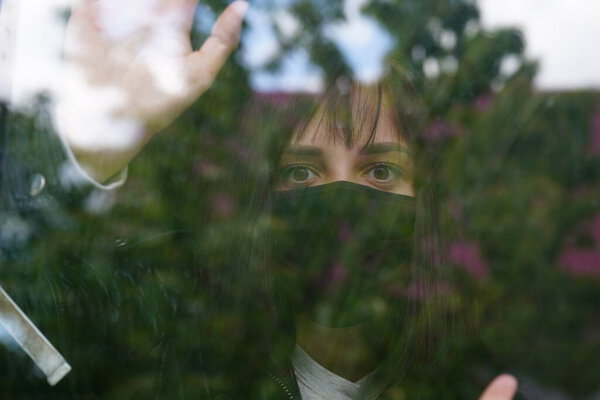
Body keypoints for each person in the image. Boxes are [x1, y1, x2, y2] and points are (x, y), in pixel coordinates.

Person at [12, 0, 522, 398]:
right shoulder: (173, 341)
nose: (341, 204)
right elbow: (29, 332)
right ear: (263, 199)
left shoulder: (503, 376)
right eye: (302, 172)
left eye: (381, 170)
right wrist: (84, 156)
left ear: (426, 202)